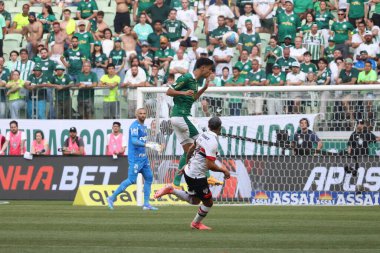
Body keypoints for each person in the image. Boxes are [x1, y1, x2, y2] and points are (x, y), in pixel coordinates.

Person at [154, 117, 230, 230]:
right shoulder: (213, 142)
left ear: (209, 126)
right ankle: (195, 223)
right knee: (208, 202)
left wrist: (187, 163)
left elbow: (190, 149)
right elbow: (210, 165)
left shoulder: (202, 135)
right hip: (197, 176)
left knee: (195, 200)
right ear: (219, 128)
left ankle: (171, 190)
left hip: (189, 171)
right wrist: (224, 170)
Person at [167, 58, 222, 188]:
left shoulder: (195, 82)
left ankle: (175, 183)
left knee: (188, 150)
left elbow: (192, 98)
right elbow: (169, 91)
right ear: (203, 68)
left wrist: (204, 88)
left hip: (178, 118)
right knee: (204, 142)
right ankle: (208, 177)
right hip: (182, 116)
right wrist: (183, 92)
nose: (210, 72)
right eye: (209, 69)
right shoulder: (186, 77)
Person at [107, 108, 160, 211]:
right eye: (140, 113)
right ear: (136, 115)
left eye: (144, 113)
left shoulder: (144, 127)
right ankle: (112, 198)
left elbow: (141, 140)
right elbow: (134, 141)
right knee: (131, 180)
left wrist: (150, 144)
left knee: (149, 178)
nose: (143, 115)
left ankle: (146, 204)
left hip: (143, 158)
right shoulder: (134, 126)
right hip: (135, 158)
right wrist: (147, 144)